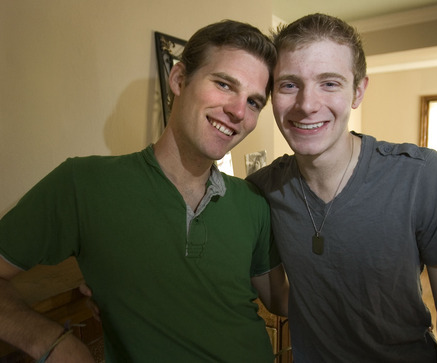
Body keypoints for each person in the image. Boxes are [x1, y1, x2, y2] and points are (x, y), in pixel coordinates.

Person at [0, 20, 288, 362]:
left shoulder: (252, 201)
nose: (238, 111)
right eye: (224, 84)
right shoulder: (83, 183)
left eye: (254, 102)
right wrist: (53, 342)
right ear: (179, 79)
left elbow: (281, 300)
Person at [247, 13, 437, 363]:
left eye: (329, 83)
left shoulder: (421, 175)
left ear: (358, 91)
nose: (307, 104)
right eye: (289, 84)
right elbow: (280, 299)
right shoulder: (262, 190)